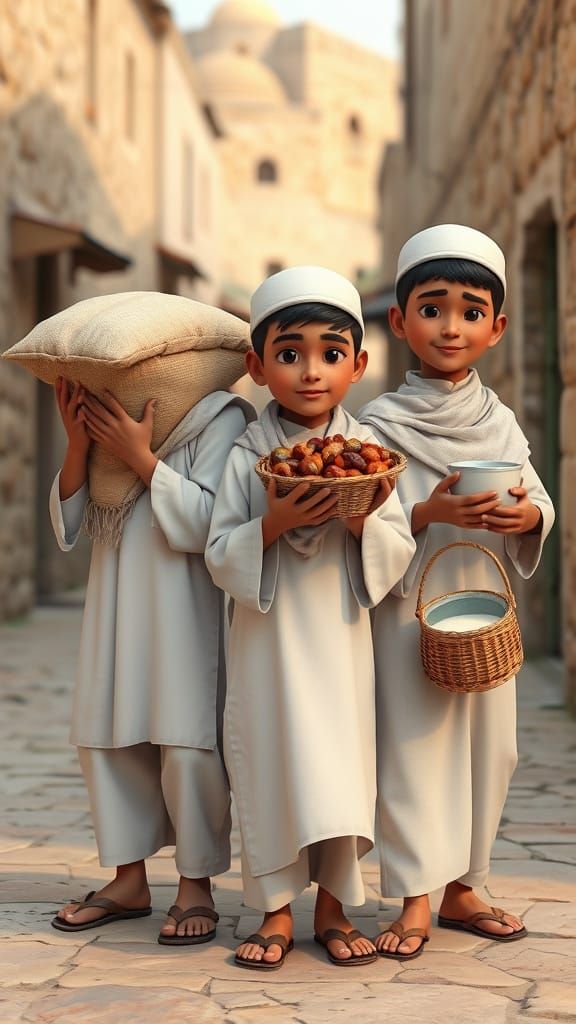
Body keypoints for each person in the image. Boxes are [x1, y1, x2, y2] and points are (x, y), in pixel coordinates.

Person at [205, 266, 416, 970]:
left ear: (359, 364)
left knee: (338, 768)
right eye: (290, 354)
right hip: (266, 640)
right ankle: (270, 909)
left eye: (331, 354)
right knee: (270, 762)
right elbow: (217, 551)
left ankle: (331, 908)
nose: (311, 372)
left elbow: (396, 549)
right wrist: (270, 525)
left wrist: (358, 520)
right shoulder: (245, 454)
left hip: (339, 636)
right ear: (258, 367)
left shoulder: (375, 458)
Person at [359, 224, 555, 959]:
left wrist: (526, 514)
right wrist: (426, 511)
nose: (452, 325)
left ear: (496, 328)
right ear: (401, 320)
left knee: (490, 748)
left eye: (471, 311)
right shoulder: (379, 424)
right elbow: (367, 516)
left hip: (483, 604)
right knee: (415, 747)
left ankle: (466, 884)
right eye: (433, 308)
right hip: (409, 606)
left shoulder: (497, 419)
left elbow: (538, 498)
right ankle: (413, 894)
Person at [49, 376, 254, 944]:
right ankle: (127, 879)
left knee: (187, 742)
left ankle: (195, 886)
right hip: (112, 589)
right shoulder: (111, 410)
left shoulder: (221, 417)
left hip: (183, 596)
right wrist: (76, 442)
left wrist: (140, 458)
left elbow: (209, 523)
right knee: (105, 733)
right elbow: (71, 522)